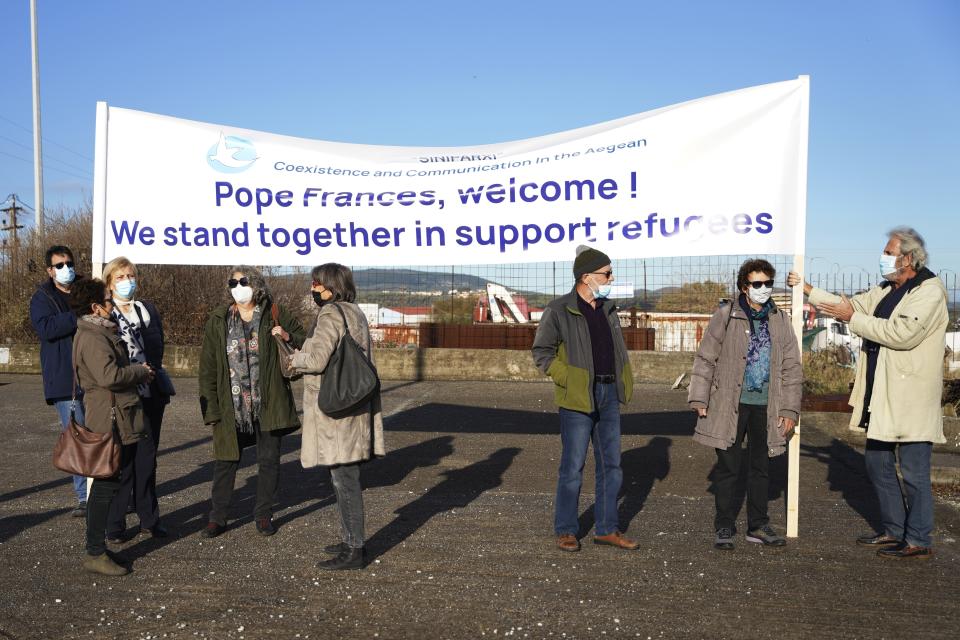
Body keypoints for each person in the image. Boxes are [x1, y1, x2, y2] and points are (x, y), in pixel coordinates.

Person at [789, 227, 948, 560]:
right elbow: (849, 306)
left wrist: (854, 319)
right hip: (882, 393)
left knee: (915, 471)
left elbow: (900, 333)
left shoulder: (928, 292)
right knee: (877, 463)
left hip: (910, 395)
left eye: (889, 251)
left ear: (908, 258)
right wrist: (807, 290)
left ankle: (918, 538)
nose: (883, 256)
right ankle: (893, 530)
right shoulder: (888, 288)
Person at [688, 259, 802, 550]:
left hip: (767, 405)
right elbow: (706, 357)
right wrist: (700, 397)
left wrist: (789, 409)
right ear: (744, 286)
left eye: (768, 283)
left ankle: (758, 525)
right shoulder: (726, 315)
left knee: (761, 467)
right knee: (728, 466)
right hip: (729, 403)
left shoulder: (780, 319)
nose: (763, 289)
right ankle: (724, 526)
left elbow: (792, 366)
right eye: (757, 284)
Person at [532, 245, 638, 553]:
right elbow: (542, 353)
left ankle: (607, 529)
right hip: (577, 397)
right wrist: (569, 378)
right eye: (606, 274)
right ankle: (566, 529)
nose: (611, 278)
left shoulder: (608, 309)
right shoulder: (559, 309)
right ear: (586, 276)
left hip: (608, 394)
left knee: (612, 465)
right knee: (572, 466)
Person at [290, 263, 386, 570]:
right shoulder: (353, 311)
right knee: (345, 478)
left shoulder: (331, 313)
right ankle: (349, 539)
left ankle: (354, 549)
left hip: (335, 411)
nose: (313, 289)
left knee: (344, 481)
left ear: (332, 285)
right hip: (353, 405)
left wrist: (294, 357)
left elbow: (317, 359)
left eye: (317, 284)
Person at [198, 266, 305, 538]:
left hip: (268, 401)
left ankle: (264, 514)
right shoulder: (219, 319)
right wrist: (210, 407)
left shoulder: (274, 314)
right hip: (230, 404)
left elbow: (306, 341)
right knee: (225, 460)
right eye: (232, 283)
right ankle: (217, 517)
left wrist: (287, 335)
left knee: (268, 460)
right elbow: (208, 366)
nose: (238, 287)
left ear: (256, 284)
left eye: (243, 281)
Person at [69, 278, 154, 576]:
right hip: (109, 417)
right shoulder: (93, 336)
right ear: (95, 307)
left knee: (107, 483)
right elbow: (108, 376)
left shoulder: (97, 331)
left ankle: (98, 549)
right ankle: (94, 551)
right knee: (105, 485)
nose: (112, 303)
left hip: (113, 413)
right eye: (107, 299)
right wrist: (140, 372)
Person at [101, 257, 171, 541]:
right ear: (109, 283)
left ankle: (149, 519)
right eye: (120, 277)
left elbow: (158, 343)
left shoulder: (147, 309)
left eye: (130, 275)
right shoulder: (107, 313)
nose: (127, 281)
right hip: (123, 395)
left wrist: (151, 370)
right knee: (123, 461)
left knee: (148, 458)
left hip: (151, 393)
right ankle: (115, 524)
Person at [29, 245, 87, 516]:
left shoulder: (86, 288)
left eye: (69, 263)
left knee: (105, 433)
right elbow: (47, 329)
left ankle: (107, 488)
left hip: (94, 373)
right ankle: (84, 496)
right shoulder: (42, 297)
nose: (67, 269)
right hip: (65, 379)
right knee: (77, 435)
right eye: (60, 265)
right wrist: (77, 316)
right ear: (49, 270)